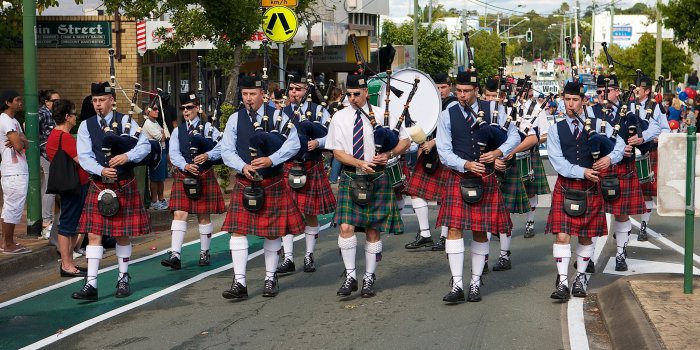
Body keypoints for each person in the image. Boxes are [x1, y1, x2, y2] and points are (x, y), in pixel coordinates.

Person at [436, 70, 521, 303]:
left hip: (486, 177)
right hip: (459, 175)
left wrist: (498, 152)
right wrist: (466, 164)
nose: (462, 96)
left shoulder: (495, 109)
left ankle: (474, 283)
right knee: (453, 229)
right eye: (459, 91)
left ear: (476, 91)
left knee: (480, 230)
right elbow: (443, 151)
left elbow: (514, 136)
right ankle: (456, 284)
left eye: (467, 91)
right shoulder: (447, 115)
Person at [220, 74, 303, 299]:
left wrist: (271, 160)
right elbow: (226, 149)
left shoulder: (277, 115)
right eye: (245, 94)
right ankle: (239, 282)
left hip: (272, 180)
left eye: (253, 94)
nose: (248, 98)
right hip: (246, 180)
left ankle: (270, 278)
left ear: (262, 95)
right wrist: (242, 165)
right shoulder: (235, 119)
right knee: (237, 231)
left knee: (272, 232)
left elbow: (293, 144)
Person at [326, 74, 410, 298]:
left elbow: (406, 141)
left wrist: (389, 154)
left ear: (366, 93)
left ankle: (369, 277)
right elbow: (337, 151)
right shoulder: (339, 117)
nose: (352, 98)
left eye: (357, 94)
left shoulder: (385, 114)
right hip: (352, 175)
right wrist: (359, 163)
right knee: (346, 227)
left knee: (373, 229)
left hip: (377, 178)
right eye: (349, 94)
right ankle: (351, 276)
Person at [71, 82, 152, 301]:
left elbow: (145, 146)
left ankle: (123, 277)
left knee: (121, 234)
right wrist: (101, 169)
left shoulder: (126, 121)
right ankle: (91, 283)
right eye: (94, 101)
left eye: (102, 100)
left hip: (123, 184)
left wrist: (127, 157)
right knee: (94, 234)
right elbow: (84, 155)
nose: (98, 105)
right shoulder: (86, 126)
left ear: (112, 100)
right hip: (99, 183)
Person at [546, 81, 624, 300]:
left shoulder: (599, 123)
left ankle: (580, 278)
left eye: (575, 100)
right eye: (567, 100)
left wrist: (609, 159)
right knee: (562, 236)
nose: (570, 104)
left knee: (586, 236)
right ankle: (562, 282)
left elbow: (619, 145)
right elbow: (557, 162)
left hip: (591, 188)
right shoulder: (556, 129)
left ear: (583, 101)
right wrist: (582, 171)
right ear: (563, 100)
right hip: (567, 185)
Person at [276, 73, 336, 274]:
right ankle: (288, 258)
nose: (294, 93)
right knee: (286, 214)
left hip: (311, 165)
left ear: (306, 91)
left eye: (298, 89)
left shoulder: (319, 111)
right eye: (291, 89)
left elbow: (332, 136)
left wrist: (317, 143)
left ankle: (309, 256)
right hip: (288, 166)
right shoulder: (280, 113)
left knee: (310, 213)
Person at [161, 92, 225, 270]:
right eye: (183, 108)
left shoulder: (209, 128)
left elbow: (223, 146)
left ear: (197, 107)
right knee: (179, 213)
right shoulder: (177, 131)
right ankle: (175, 254)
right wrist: (185, 166)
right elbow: (173, 154)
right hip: (185, 175)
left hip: (204, 174)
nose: (186, 111)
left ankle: (204, 252)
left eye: (189, 107)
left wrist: (207, 155)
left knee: (203, 215)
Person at [403, 72, 457, 252]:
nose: (441, 91)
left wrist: (433, 142)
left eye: (444, 87)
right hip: (428, 152)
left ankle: (444, 237)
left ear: (450, 87)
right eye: (438, 87)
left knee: (445, 197)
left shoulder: (453, 105)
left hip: (447, 155)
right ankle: (425, 234)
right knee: (415, 191)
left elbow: (454, 131)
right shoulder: (431, 104)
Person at [491, 80, 539, 272]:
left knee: (502, 214)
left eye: (497, 96)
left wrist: (509, 151)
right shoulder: (480, 116)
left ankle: (504, 255)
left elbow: (533, 137)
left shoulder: (516, 114)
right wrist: (491, 158)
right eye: (488, 96)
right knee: (485, 217)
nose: (493, 99)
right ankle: (483, 259)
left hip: (508, 167)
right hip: (483, 168)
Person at [46, 99, 89, 277]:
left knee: (71, 224)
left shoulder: (55, 136)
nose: (75, 117)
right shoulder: (63, 137)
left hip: (71, 184)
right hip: (73, 185)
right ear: (67, 116)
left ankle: (69, 262)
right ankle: (67, 264)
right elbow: (82, 160)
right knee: (68, 224)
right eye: (73, 114)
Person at [635, 76, 670, 241]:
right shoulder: (628, 104)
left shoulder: (656, 107)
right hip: (628, 152)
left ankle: (643, 226)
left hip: (648, 151)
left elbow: (666, 130)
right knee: (623, 191)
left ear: (647, 90)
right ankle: (623, 227)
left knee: (645, 192)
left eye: (638, 88)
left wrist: (655, 137)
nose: (635, 90)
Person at [0, 90, 31, 255]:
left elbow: (25, 143)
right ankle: (9, 243)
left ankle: (6, 242)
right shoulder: (5, 120)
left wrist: (21, 140)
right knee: (13, 207)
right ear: (8, 102)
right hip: (14, 171)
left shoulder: (15, 121)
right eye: (17, 100)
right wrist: (20, 141)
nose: (21, 102)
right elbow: (19, 146)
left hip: (16, 170)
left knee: (10, 207)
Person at [522, 91, 553, 238]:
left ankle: (530, 222)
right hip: (505, 154)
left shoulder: (536, 107)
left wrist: (530, 141)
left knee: (530, 190)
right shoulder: (504, 108)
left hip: (530, 153)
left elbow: (545, 135)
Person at [38, 89, 60, 235]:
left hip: (50, 154)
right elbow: (29, 126)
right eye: (55, 101)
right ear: (46, 102)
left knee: (48, 186)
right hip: (45, 154)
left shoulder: (51, 113)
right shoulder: (43, 113)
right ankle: (46, 220)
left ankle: (47, 218)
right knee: (50, 187)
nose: (58, 103)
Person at [141, 104, 168, 210]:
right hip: (155, 153)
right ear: (148, 111)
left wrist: (163, 133)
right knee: (155, 178)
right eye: (154, 109)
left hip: (162, 151)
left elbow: (164, 135)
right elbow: (162, 137)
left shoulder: (155, 121)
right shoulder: (147, 123)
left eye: (158, 109)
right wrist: (162, 133)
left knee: (161, 178)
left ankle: (161, 199)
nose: (157, 111)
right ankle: (154, 201)